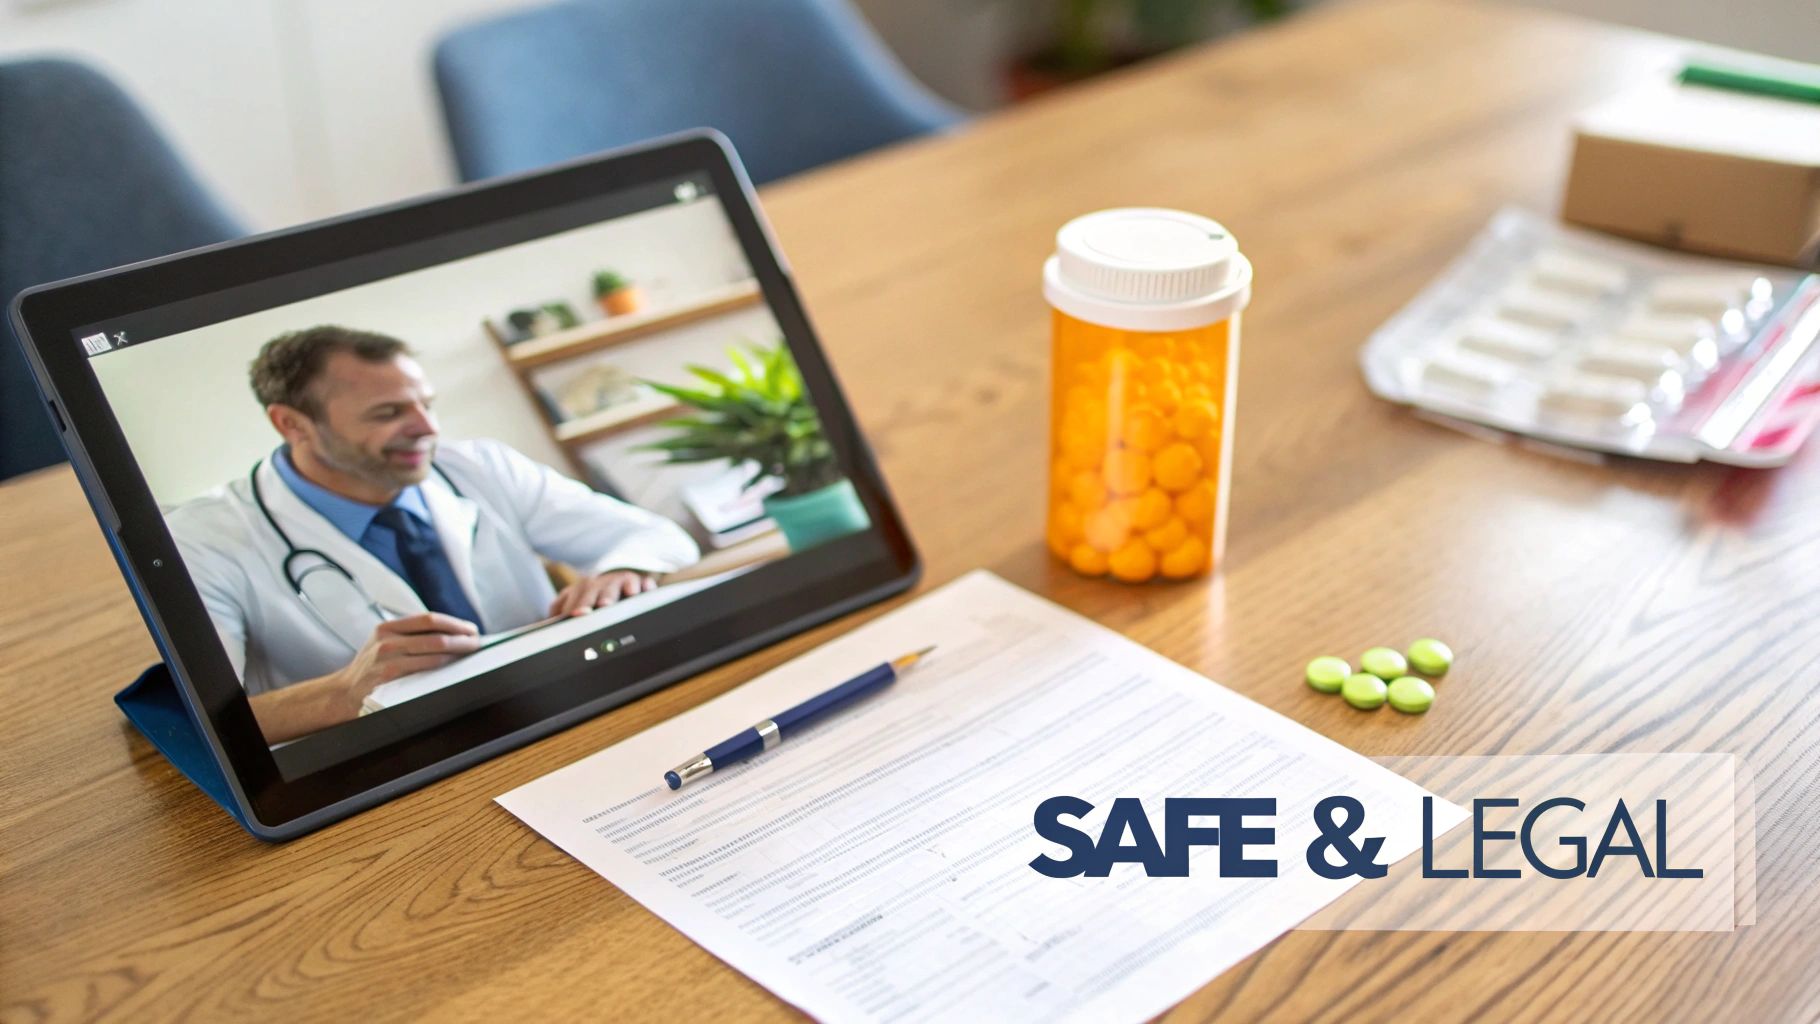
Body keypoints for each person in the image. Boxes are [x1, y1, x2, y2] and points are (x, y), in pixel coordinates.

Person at [165, 326, 699, 742]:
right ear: (292, 424)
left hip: (557, 711)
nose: (426, 428)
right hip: (398, 763)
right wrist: (346, 690)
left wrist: (621, 571)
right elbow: (209, 727)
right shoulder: (204, 539)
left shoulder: (481, 466)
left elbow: (661, 537)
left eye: (427, 403)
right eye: (389, 413)